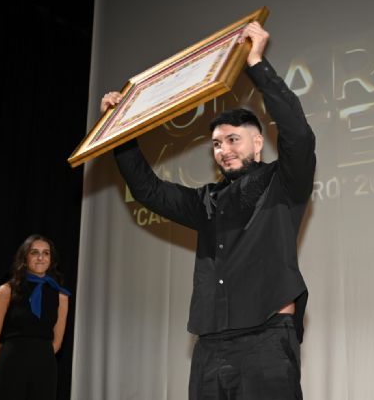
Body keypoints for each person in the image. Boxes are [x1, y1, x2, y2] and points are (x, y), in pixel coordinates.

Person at [104, 22, 316, 400]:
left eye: (233, 139)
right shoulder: (206, 202)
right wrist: (120, 131)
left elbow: (299, 135)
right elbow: (147, 190)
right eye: (216, 144)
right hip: (210, 345)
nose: (224, 150)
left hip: (267, 338)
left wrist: (256, 63)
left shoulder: (283, 183)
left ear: (258, 143)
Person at [0, 234, 71, 400]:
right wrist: (4, 370)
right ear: (25, 257)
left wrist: (37, 362)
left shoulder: (61, 296)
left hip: (44, 368)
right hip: (11, 365)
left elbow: (57, 342)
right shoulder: (6, 290)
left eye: (46, 253)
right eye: (34, 252)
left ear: (51, 259)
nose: (40, 257)